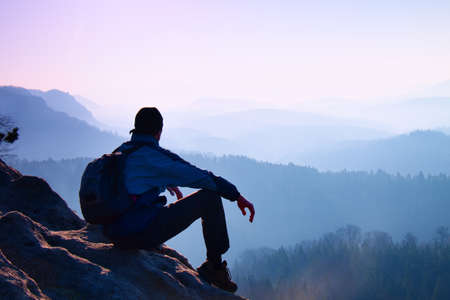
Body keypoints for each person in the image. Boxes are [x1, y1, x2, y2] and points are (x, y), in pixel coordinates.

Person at [102, 107, 255, 293]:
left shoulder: (122, 152)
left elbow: (131, 185)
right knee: (209, 198)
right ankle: (215, 268)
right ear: (158, 133)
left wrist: (162, 183)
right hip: (138, 235)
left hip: (113, 232)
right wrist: (236, 195)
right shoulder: (154, 156)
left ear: (136, 129)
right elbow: (200, 176)